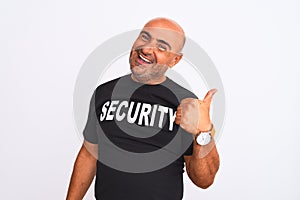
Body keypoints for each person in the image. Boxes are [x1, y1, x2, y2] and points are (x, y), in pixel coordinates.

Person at [66, 17, 220, 200]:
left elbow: (204, 180)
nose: (146, 49)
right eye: (145, 37)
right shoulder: (104, 93)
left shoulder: (185, 103)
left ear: (175, 60)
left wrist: (203, 132)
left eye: (162, 47)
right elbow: (89, 154)